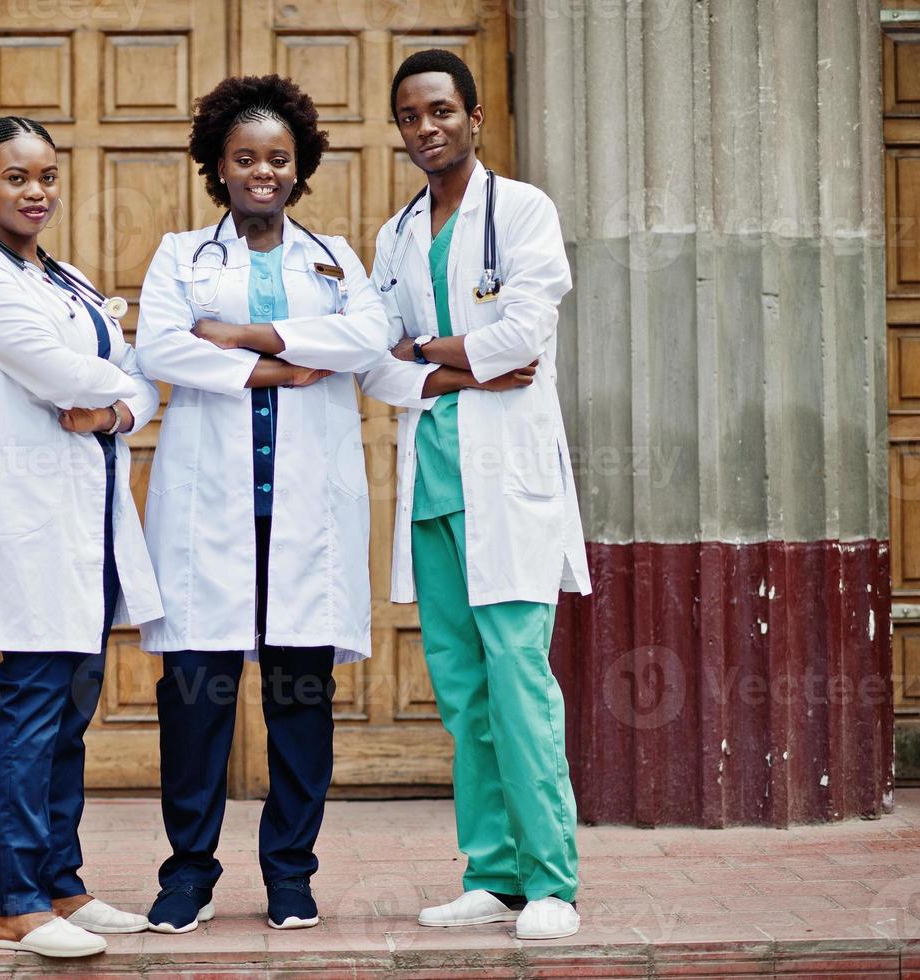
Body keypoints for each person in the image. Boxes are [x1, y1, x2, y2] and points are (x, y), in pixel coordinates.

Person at [134, 75, 386, 935]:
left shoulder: (336, 256)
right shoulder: (180, 254)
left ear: (299, 165)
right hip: (212, 512)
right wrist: (282, 368)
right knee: (196, 698)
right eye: (245, 158)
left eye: (278, 158)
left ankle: (289, 873)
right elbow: (161, 344)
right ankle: (187, 873)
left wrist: (241, 338)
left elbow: (368, 336)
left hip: (303, 514)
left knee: (298, 698)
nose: (263, 173)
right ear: (218, 165)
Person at [359, 50, 592, 941]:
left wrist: (427, 349)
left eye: (440, 111)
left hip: (511, 487)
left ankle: (552, 882)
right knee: (462, 692)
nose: (426, 128)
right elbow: (379, 362)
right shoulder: (396, 234)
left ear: (474, 115)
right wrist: (444, 359)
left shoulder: (522, 210)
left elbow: (526, 337)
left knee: (519, 682)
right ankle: (492, 874)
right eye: (410, 116)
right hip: (435, 492)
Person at [0, 115, 164, 958]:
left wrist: (114, 408)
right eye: (15, 178)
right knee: (32, 708)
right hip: (31, 517)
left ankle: (62, 885)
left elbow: (134, 381)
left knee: (71, 709)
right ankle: (14, 900)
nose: (35, 193)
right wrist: (122, 393)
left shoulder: (63, 276)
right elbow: (62, 373)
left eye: (46, 178)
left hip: (91, 515)